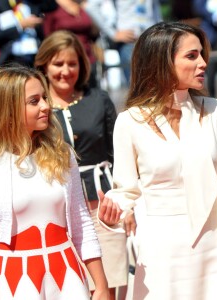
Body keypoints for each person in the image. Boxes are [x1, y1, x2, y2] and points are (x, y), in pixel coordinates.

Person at [98, 21, 217, 299]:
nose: (204, 62)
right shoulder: (129, 122)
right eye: (192, 56)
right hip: (161, 257)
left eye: (202, 54)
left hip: (214, 252)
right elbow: (125, 191)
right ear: (162, 62)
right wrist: (110, 214)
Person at [0, 64, 109, 299]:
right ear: (9, 108)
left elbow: (81, 223)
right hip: (15, 280)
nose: (46, 106)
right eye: (34, 101)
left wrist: (101, 285)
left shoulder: (62, 154)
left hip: (67, 276)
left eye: (45, 98)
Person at [34, 30, 132, 300]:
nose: (66, 71)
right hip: (61, 217)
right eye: (58, 64)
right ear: (43, 64)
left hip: (105, 211)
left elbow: (118, 154)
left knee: (107, 289)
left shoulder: (98, 100)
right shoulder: (35, 108)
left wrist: (127, 204)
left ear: (82, 65)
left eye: (72, 63)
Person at [84, 0, 162, 85]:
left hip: (153, 40)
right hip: (130, 42)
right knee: (138, 87)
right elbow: (91, 6)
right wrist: (113, 33)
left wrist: (161, 30)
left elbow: (155, 10)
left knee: (158, 84)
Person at [42, 0, 100, 87]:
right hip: (65, 60)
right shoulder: (52, 5)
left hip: (88, 57)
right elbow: (47, 36)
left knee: (92, 92)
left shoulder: (81, 4)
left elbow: (93, 31)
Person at [0, 0, 57, 67]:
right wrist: (20, 26)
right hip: (11, 58)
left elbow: (52, 5)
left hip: (34, 56)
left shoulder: (32, 3)